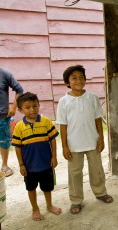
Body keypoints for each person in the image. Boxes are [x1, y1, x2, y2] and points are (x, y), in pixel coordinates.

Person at [56, 65, 113, 215]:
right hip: (73, 145)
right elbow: (62, 125)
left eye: (81, 77)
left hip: (92, 141)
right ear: (67, 82)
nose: (78, 80)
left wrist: (101, 138)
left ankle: (100, 192)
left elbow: (98, 120)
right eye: (74, 78)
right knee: (74, 173)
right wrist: (64, 146)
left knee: (97, 170)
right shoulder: (63, 101)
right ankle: (76, 200)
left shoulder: (92, 98)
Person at [11, 92, 61, 221]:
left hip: (46, 164)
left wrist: (54, 157)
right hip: (29, 167)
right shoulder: (19, 127)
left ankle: (49, 205)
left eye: (35, 106)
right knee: (31, 188)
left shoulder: (46, 122)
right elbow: (17, 147)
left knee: (47, 187)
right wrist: (21, 164)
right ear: (20, 110)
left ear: (39, 105)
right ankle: (35, 209)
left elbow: (53, 140)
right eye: (28, 107)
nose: (32, 109)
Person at [0, 67, 23, 177]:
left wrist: (14, 107)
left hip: (2, 116)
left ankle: (4, 165)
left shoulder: (4, 74)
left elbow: (19, 89)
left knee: (4, 141)